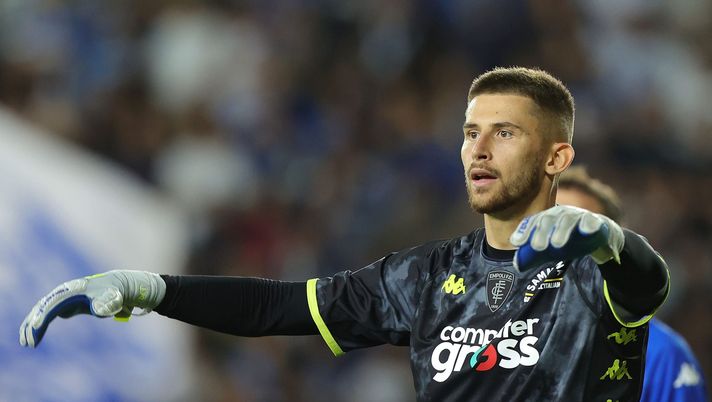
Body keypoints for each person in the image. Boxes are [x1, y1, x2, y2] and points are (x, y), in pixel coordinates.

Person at [19, 67, 670, 401]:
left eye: (506, 133)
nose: (479, 149)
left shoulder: (593, 271)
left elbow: (648, 285)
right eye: (471, 131)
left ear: (557, 157)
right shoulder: (422, 278)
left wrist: (611, 241)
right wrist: (154, 289)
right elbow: (275, 308)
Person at [557, 165, 708, 402]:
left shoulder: (659, 353)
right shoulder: (500, 336)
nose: (560, 244)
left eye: (582, 232)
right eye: (548, 228)